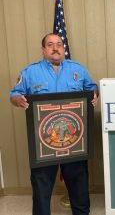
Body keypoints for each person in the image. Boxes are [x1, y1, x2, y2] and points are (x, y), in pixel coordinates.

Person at [9, 33, 99, 215]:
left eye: (59, 44)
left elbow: (92, 88)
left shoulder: (78, 70)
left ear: (63, 48)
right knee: (41, 186)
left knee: (79, 184)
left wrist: (95, 95)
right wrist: (17, 99)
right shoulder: (30, 72)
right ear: (43, 50)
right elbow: (14, 94)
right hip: (44, 142)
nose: (55, 47)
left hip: (74, 140)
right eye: (50, 44)